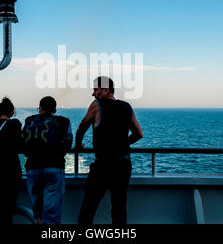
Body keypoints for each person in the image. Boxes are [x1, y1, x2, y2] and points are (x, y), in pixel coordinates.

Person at [75, 76, 143, 225]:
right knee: (119, 209)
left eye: (95, 90)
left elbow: (82, 126)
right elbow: (139, 134)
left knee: (88, 208)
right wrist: (122, 144)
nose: (93, 94)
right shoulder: (127, 106)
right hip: (124, 165)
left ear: (105, 90)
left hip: (104, 165)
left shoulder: (97, 104)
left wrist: (78, 144)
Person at [22, 96, 73, 224]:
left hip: (32, 168)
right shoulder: (64, 121)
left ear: (40, 109)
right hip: (54, 168)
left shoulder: (29, 121)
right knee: (51, 215)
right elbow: (68, 143)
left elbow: (23, 145)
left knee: (37, 214)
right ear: (54, 110)